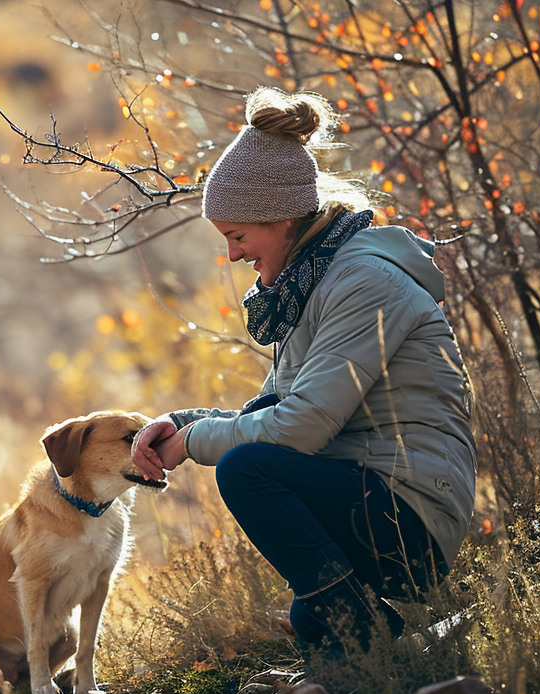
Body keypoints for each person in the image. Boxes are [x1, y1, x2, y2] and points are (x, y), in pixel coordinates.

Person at [132, 87, 476, 651]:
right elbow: (273, 411)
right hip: (370, 494)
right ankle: (383, 643)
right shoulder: (311, 283)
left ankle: (377, 647)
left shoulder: (363, 281)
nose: (233, 256)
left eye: (237, 236)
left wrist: (196, 444)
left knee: (246, 471)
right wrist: (180, 421)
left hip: (414, 511)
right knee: (319, 625)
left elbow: (302, 428)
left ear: (282, 218)